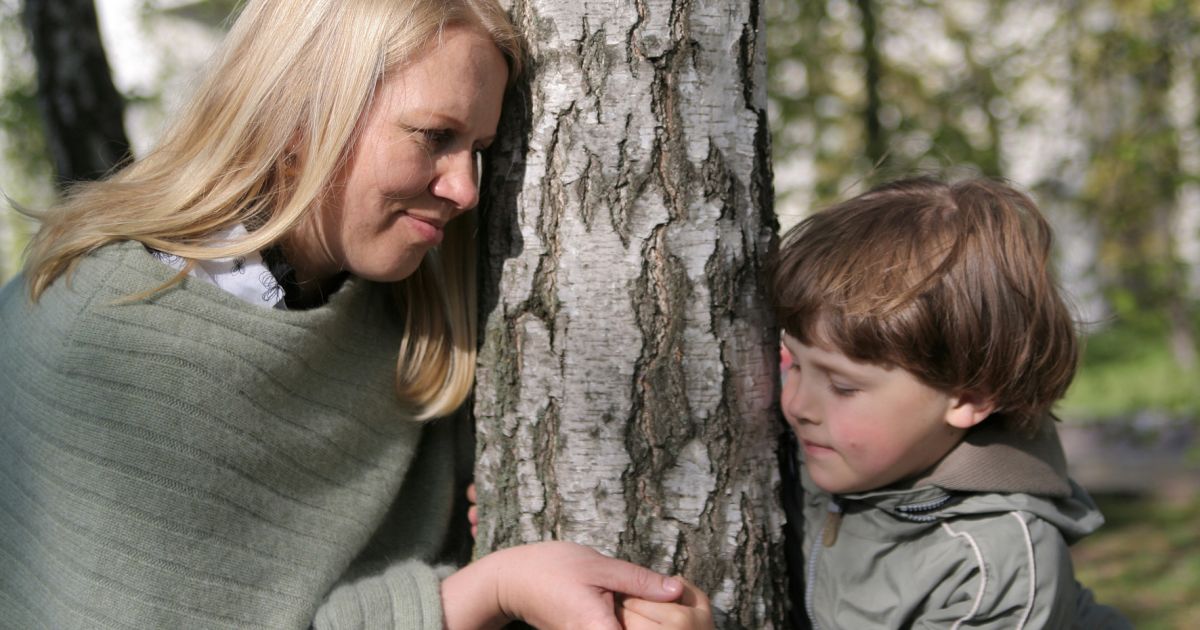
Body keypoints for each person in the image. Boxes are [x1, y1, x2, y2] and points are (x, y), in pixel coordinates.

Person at [0, 1, 694, 628]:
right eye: (433, 134)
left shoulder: (406, 315)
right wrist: (487, 592)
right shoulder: (102, 329)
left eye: (478, 150)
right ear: (301, 109)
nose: (464, 189)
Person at [769, 176, 1132, 628]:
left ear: (969, 397)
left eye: (843, 387)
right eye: (795, 365)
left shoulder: (993, 567)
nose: (797, 404)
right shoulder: (821, 453)